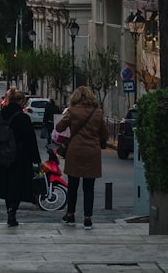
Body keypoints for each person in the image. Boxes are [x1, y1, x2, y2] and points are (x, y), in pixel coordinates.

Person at [54, 85, 109, 230]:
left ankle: (70, 215)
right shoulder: (98, 113)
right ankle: (87, 219)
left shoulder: (72, 111)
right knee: (89, 187)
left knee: (73, 185)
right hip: (92, 152)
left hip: (75, 151)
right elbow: (105, 134)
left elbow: (59, 127)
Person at [0, 87, 40, 227]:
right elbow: (31, 141)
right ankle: (12, 211)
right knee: (16, 188)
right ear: (21, 101)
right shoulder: (23, 118)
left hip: (1, 158)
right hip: (19, 159)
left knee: (5, 187)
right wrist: (36, 160)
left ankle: (9, 209)